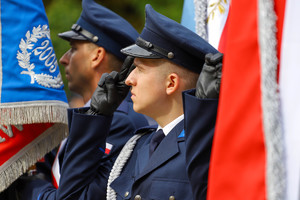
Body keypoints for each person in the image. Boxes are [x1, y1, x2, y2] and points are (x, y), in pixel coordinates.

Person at [76, 4, 218, 199]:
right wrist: (97, 117)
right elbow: (74, 195)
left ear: (171, 83)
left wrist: (204, 112)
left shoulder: (206, 146)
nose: (128, 80)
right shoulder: (138, 146)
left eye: (140, 69)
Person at [14, 0, 148, 199]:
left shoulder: (120, 121)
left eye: (74, 48)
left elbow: (80, 196)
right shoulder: (75, 115)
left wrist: (29, 187)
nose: (64, 58)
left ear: (97, 56)